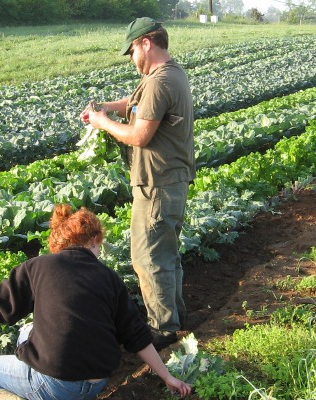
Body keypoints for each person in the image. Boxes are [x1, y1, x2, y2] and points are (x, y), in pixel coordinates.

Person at [0, 204, 193, 400]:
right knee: (28, 330)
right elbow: (136, 335)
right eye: (100, 244)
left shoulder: (38, 266)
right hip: (95, 383)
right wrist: (167, 377)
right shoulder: (109, 277)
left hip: (55, 385)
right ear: (92, 240)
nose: (100, 250)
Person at [80, 17, 195, 350]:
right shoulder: (169, 74)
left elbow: (139, 135)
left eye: (132, 51)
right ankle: (174, 321)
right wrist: (106, 107)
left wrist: (103, 123)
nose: (132, 58)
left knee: (148, 258)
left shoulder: (159, 81)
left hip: (157, 186)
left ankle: (161, 329)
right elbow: (137, 107)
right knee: (167, 255)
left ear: (146, 43)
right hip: (169, 182)